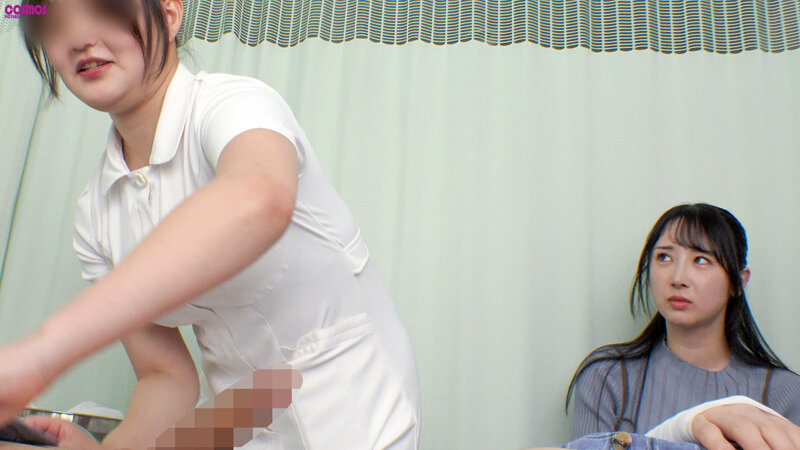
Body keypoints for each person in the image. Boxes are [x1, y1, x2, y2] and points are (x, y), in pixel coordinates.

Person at [0, 0, 421, 448]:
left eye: (105, 10)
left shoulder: (234, 105)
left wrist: (41, 356)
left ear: (168, 14)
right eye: (54, 25)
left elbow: (259, 197)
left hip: (357, 411)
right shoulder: (96, 214)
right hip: (242, 421)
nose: (79, 39)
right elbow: (166, 378)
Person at [565, 203, 800, 449]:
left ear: (738, 283)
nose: (678, 278)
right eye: (664, 257)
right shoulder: (609, 377)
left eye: (700, 260)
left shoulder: (783, 392)